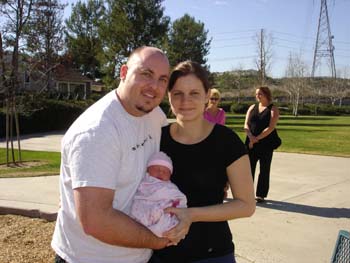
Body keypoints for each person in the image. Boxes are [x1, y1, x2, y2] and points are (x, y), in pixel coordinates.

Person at [51, 46, 183, 263]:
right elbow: (96, 220)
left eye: (162, 79)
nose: (154, 86)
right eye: (146, 74)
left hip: (137, 254)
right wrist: (158, 241)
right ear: (123, 73)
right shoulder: (97, 131)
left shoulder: (153, 115)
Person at [151, 61, 256, 263]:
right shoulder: (155, 139)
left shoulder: (226, 141)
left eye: (194, 93)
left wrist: (191, 215)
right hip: (159, 253)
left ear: (207, 96)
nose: (185, 101)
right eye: (178, 93)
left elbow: (246, 205)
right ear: (169, 96)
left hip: (212, 253)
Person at [130, 151, 187, 237]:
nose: (161, 172)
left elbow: (179, 196)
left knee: (170, 220)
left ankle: (160, 228)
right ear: (148, 170)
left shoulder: (169, 186)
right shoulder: (145, 182)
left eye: (165, 171)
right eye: (156, 169)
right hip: (145, 206)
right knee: (137, 212)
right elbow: (141, 194)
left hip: (164, 210)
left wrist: (177, 203)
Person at [244, 86, 280, 203]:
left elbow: (270, 128)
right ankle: (247, 194)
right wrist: (251, 137)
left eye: (260, 94)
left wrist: (256, 138)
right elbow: (246, 125)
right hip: (251, 143)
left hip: (266, 144)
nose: (257, 96)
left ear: (266, 94)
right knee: (249, 169)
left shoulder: (273, 109)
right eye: (256, 94)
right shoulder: (252, 107)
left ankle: (261, 194)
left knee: (264, 169)